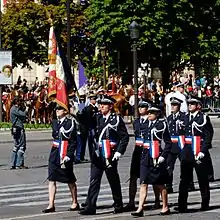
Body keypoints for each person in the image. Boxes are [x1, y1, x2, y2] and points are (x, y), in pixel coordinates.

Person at [79, 95, 129, 215]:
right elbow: (84, 120)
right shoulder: (97, 117)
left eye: (104, 104)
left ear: (110, 106)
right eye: (100, 104)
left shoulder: (116, 120)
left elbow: (124, 137)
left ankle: (118, 204)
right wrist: (80, 109)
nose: (101, 106)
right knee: (94, 180)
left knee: (113, 179)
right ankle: (90, 206)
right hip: (98, 152)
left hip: (110, 153)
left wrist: (119, 151)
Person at [131, 106, 172, 217]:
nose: (149, 114)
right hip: (145, 156)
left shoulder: (161, 125)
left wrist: (163, 156)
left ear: (157, 114)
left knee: (159, 184)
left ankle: (165, 206)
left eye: (152, 113)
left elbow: (168, 143)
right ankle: (140, 208)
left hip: (156, 155)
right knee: (143, 182)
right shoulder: (144, 125)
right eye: (148, 112)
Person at [175, 96, 213, 212]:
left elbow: (208, 136)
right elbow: (180, 133)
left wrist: (203, 151)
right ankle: (182, 205)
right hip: (187, 151)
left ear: (198, 106)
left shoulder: (203, 118)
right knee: (184, 179)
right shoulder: (184, 117)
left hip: (199, 150)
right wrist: (181, 149)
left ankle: (205, 203)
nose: (190, 105)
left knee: (202, 178)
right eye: (189, 103)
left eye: (192, 103)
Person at [42, 105, 79, 213]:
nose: (57, 111)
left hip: (65, 152)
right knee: (51, 178)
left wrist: (69, 155)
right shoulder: (55, 122)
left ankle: (75, 202)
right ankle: (51, 204)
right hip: (55, 152)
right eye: (57, 109)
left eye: (60, 109)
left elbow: (73, 141)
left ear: (65, 111)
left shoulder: (70, 123)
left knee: (69, 179)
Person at [125, 99, 160, 211]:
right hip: (137, 151)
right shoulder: (136, 122)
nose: (140, 109)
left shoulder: (151, 121)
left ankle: (157, 200)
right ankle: (131, 202)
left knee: (153, 177)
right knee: (133, 176)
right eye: (139, 107)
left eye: (143, 107)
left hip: (149, 150)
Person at [166, 97, 186, 193]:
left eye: (175, 105)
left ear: (179, 106)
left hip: (182, 143)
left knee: (185, 164)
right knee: (169, 165)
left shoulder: (184, 117)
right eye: (172, 105)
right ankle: (169, 185)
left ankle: (188, 183)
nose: (172, 107)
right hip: (172, 145)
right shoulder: (169, 118)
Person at [10, 97, 27, 169]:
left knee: (16, 146)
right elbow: (23, 114)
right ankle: (19, 164)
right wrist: (26, 109)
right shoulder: (15, 109)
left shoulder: (13, 108)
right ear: (17, 102)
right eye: (20, 101)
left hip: (16, 128)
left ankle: (13, 163)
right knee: (21, 146)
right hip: (19, 128)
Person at [80, 93, 99, 161]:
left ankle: (94, 156)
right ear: (90, 100)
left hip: (94, 127)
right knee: (86, 143)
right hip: (88, 128)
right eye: (93, 99)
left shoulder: (96, 108)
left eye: (95, 99)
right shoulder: (87, 108)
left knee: (94, 143)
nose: (94, 101)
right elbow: (80, 115)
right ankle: (82, 157)